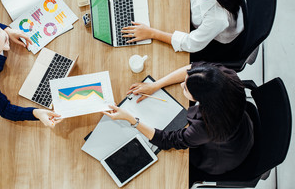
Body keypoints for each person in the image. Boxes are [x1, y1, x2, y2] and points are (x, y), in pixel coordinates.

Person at [103, 62, 254, 185]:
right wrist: (156, 85)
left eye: (186, 89)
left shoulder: (205, 128)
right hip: (241, 127)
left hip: (220, 157)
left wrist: (131, 119)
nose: (182, 84)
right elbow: (191, 69)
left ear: (203, 101)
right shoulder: (225, 77)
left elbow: (168, 140)